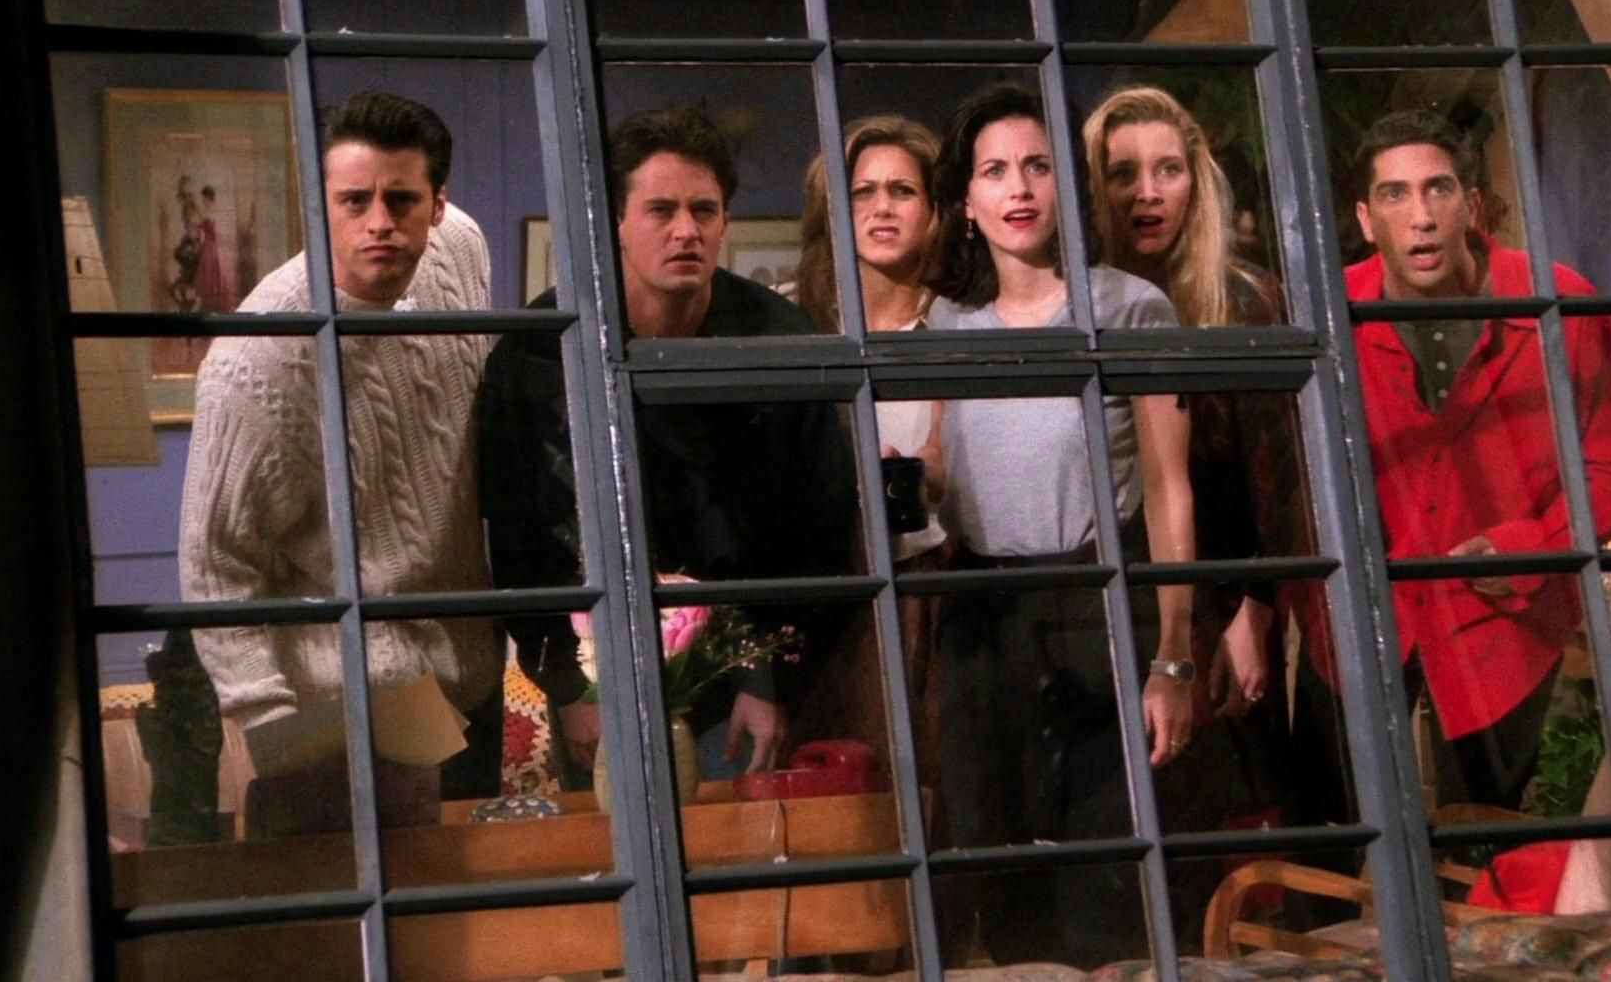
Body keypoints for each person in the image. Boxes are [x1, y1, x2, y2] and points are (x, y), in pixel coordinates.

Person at [1300, 109, 1611, 819]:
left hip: (1502, 632)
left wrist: (1536, 544)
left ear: (1471, 205)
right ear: (1365, 219)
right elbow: (1283, 474)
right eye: (1395, 195)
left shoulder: (1555, 304)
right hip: (1356, 621)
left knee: (1489, 847)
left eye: (1438, 189)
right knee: (1336, 843)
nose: (1421, 218)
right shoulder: (1325, 312)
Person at [479, 105, 857, 790]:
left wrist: (771, 680)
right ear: (615, 222)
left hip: (742, 673)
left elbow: (821, 534)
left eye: (703, 210)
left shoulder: (779, 341)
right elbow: (516, 539)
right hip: (598, 670)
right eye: (661, 210)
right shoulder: (539, 351)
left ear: (725, 222)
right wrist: (569, 686)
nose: (686, 230)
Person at [918, 82, 1201, 966]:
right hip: (984, 612)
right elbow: (938, 468)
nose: (1018, 187)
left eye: (1037, 165)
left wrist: (1175, 655)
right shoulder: (947, 321)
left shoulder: (1130, 308)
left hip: (1102, 599)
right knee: (999, 880)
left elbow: (1171, 489)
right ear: (967, 200)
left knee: (1107, 890)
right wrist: (902, 488)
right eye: (995, 170)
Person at [175, 91, 504, 836]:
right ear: (318, 208)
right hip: (349, 711)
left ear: (439, 205)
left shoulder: (462, 249)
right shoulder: (259, 361)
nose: (379, 221)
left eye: (402, 199)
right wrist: (278, 738)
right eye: (354, 201)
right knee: (371, 913)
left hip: (469, 679)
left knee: (476, 903)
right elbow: (215, 565)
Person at [1082, 84, 1304, 825]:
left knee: (1230, 817)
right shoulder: (1076, 304)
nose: (1147, 193)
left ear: (1196, 182)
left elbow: (1284, 479)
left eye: (1168, 170)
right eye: (1123, 173)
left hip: (1222, 595)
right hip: (1104, 597)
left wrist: (1255, 609)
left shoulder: (1245, 301)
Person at [790, 115, 948, 784]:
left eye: (902, 191)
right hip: (815, 597)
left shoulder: (955, 326)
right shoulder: (793, 323)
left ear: (935, 211)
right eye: (863, 191)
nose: (882, 207)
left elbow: (955, 464)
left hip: (927, 596)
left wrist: (909, 473)